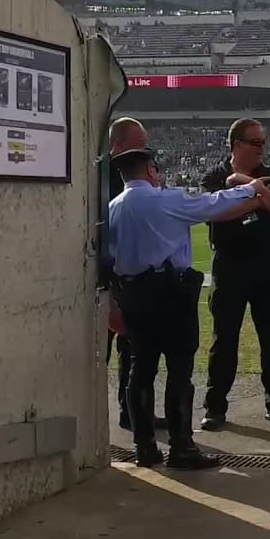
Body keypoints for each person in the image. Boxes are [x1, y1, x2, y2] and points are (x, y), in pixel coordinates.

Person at [108, 147, 270, 468]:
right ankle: (181, 447)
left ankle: (144, 446)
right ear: (151, 171)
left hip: (132, 293)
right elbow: (213, 204)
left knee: (140, 371)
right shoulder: (165, 199)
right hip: (170, 292)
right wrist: (251, 188)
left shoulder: (114, 207)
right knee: (179, 369)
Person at [199, 118, 270, 431]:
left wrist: (247, 186)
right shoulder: (213, 177)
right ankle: (215, 408)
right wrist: (258, 196)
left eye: (263, 142)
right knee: (224, 340)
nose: (261, 148)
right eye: (255, 143)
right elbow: (217, 212)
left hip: (267, 267)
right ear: (237, 144)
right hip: (229, 267)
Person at [105, 116, 165, 432]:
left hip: (130, 285)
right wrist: (110, 301)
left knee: (135, 354)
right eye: (138, 145)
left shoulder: (126, 180)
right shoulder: (103, 181)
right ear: (117, 146)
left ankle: (135, 414)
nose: (145, 152)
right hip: (112, 283)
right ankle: (96, 423)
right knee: (106, 352)